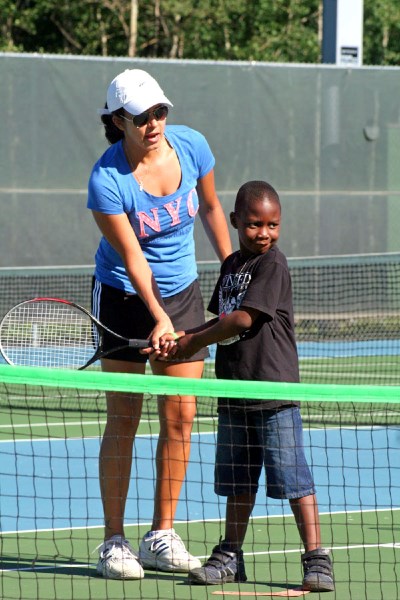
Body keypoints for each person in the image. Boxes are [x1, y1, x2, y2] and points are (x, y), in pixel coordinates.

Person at [87, 68, 232, 580]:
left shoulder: (192, 147)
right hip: (126, 298)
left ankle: (161, 535)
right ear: (118, 120)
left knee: (180, 416)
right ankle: (113, 541)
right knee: (124, 418)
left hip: (185, 295)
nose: (154, 123)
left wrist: (237, 275)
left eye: (160, 112)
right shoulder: (107, 180)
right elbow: (133, 260)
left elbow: (213, 208)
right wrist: (158, 318)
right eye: (142, 116)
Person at [160, 180, 334, 592]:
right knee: (238, 482)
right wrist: (180, 339)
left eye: (273, 225)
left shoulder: (272, 265)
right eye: (255, 224)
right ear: (236, 221)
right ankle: (229, 556)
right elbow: (219, 317)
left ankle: (316, 559)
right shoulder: (232, 265)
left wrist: (194, 341)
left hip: (273, 394)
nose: (264, 233)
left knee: (294, 480)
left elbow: (242, 319)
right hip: (234, 393)